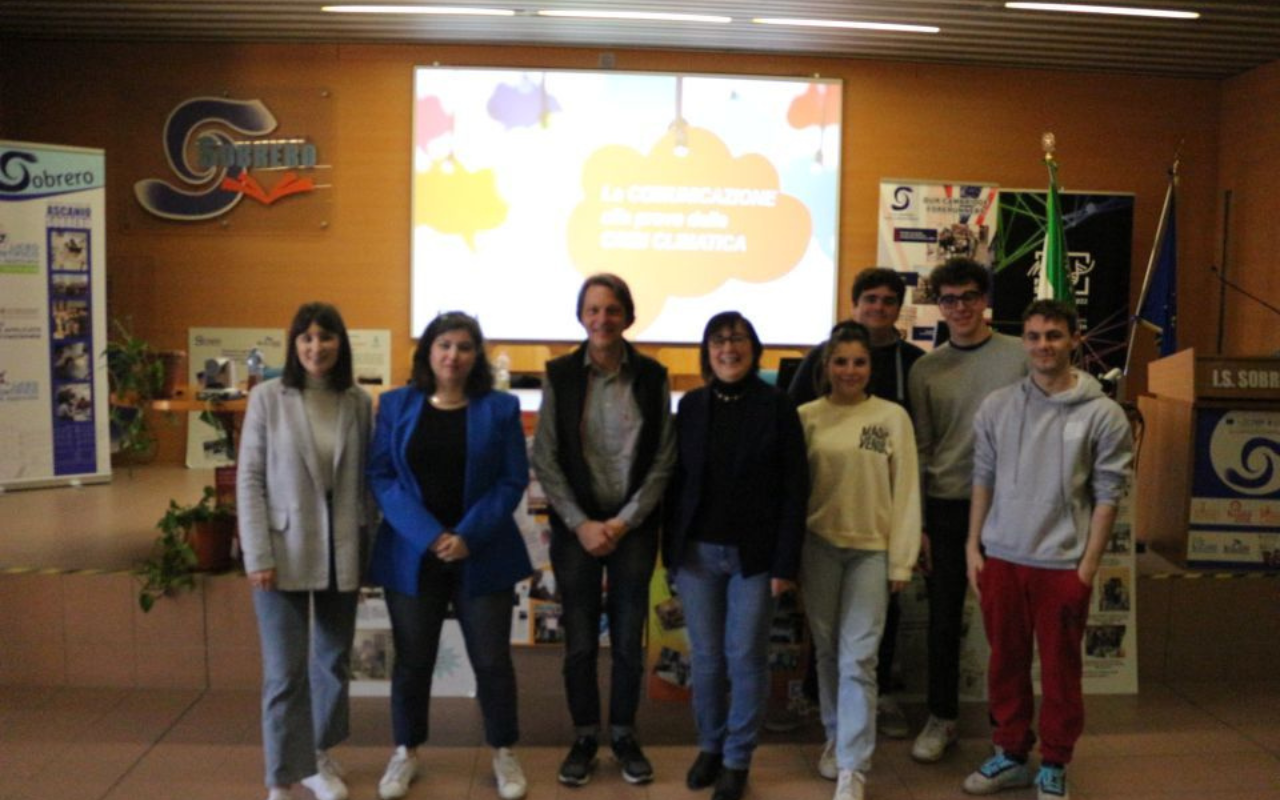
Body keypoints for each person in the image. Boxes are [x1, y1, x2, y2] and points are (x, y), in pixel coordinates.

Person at [962, 300, 1132, 800]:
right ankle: (1011, 753)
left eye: (1054, 335)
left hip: (1062, 565)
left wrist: (1088, 566)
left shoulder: (1103, 414)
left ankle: (1055, 762)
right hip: (1003, 558)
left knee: (1060, 673)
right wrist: (975, 544)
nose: (1043, 346)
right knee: (1005, 664)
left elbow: (1108, 495)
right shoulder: (997, 407)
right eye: (1033, 336)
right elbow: (983, 479)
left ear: (1074, 340)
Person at [367, 311, 532, 800]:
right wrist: (429, 535)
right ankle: (406, 752)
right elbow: (381, 476)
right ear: (428, 353)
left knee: (492, 660)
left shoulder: (500, 409)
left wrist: (466, 535)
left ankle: (504, 752)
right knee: (413, 661)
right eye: (444, 345)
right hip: (412, 554)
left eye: (463, 347)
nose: (453, 356)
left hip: (482, 553)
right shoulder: (395, 405)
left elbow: (512, 479)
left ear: (475, 356)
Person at [530, 273, 676, 787]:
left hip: (631, 527)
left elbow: (663, 459)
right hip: (577, 528)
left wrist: (622, 521)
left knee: (630, 644)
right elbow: (545, 456)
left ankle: (625, 734)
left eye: (612, 310)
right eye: (593, 310)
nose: (602, 319)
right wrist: (582, 523)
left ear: (628, 316)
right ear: (581, 316)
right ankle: (586, 735)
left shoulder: (654, 377)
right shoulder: (561, 374)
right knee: (580, 644)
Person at [664, 312, 809, 800]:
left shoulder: (777, 406)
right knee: (705, 659)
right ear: (707, 350)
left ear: (754, 347)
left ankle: (737, 758)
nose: (729, 348)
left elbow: (795, 490)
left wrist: (786, 563)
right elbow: (676, 484)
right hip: (697, 555)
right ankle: (709, 745)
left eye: (738, 339)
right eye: (719, 340)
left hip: (756, 556)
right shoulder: (693, 405)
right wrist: (671, 553)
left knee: (745, 656)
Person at [237, 302, 373, 800]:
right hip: (282, 549)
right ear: (294, 345)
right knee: (284, 672)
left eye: (327, 336)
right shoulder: (269, 398)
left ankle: (318, 758)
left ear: (342, 342)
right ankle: (280, 777)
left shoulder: (357, 401)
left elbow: (367, 487)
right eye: (307, 338)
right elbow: (249, 479)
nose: (317, 347)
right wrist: (258, 555)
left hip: (342, 550)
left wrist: (367, 553)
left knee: (333, 662)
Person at [789, 267, 926, 742]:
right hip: (819, 545)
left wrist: (902, 557)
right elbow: (790, 481)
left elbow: (906, 487)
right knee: (829, 651)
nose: (849, 370)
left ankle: (853, 759)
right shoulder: (807, 415)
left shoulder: (895, 408)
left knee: (860, 656)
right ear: (827, 365)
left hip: (874, 548)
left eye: (859, 363)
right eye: (840, 362)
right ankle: (834, 732)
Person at [906, 257, 1026, 763]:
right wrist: (923, 526)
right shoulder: (926, 368)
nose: (960, 308)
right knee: (944, 619)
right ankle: (943, 717)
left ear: (985, 300)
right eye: (949, 299)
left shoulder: (1021, 355)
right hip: (948, 507)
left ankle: (1010, 729)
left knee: (1008, 625)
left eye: (969, 297)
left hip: (1010, 511)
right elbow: (923, 449)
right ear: (939, 305)